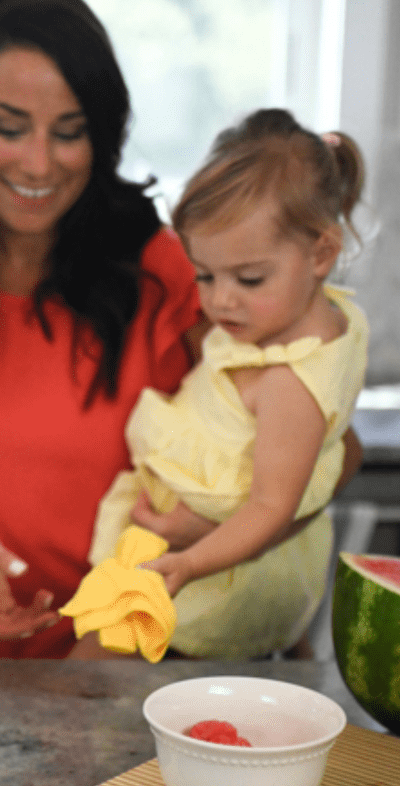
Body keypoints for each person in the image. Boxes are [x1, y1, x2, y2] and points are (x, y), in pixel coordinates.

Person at [0, 0, 360, 660]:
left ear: (104, 134)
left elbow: (335, 452)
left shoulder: (175, 274)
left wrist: (212, 538)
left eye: (69, 132)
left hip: (142, 666)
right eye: (9, 127)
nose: (38, 164)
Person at [85, 109, 368, 659]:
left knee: (109, 669)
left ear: (322, 253)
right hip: (217, 557)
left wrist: (191, 558)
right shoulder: (283, 320)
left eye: (249, 278)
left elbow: (271, 508)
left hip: (218, 574)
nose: (220, 302)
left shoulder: (291, 380)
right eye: (205, 275)